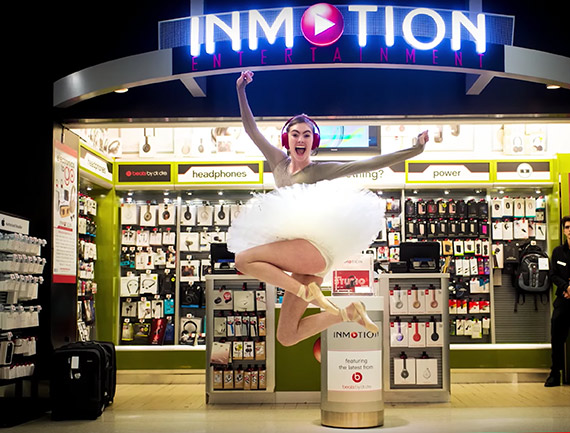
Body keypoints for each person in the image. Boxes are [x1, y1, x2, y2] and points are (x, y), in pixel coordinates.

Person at [228, 70, 428, 347]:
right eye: (295, 134)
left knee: (243, 260)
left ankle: (306, 292)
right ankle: (348, 312)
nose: (301, 139)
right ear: (287, 139)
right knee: (287, 336)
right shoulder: (277, 162)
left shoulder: (321, 170)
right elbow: (251, 130)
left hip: (312, 248)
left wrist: (414, 150)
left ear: (313, 141)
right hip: (302, 256)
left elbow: (368, 164)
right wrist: (240, 89)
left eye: (307, 135)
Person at [545, 215, 570, 387]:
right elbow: (553, 274)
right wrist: (566, 288)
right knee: (557, 336)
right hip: (564, 299)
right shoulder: (558, 252)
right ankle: (555, 374)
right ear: (563, 230)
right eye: (567, 227)